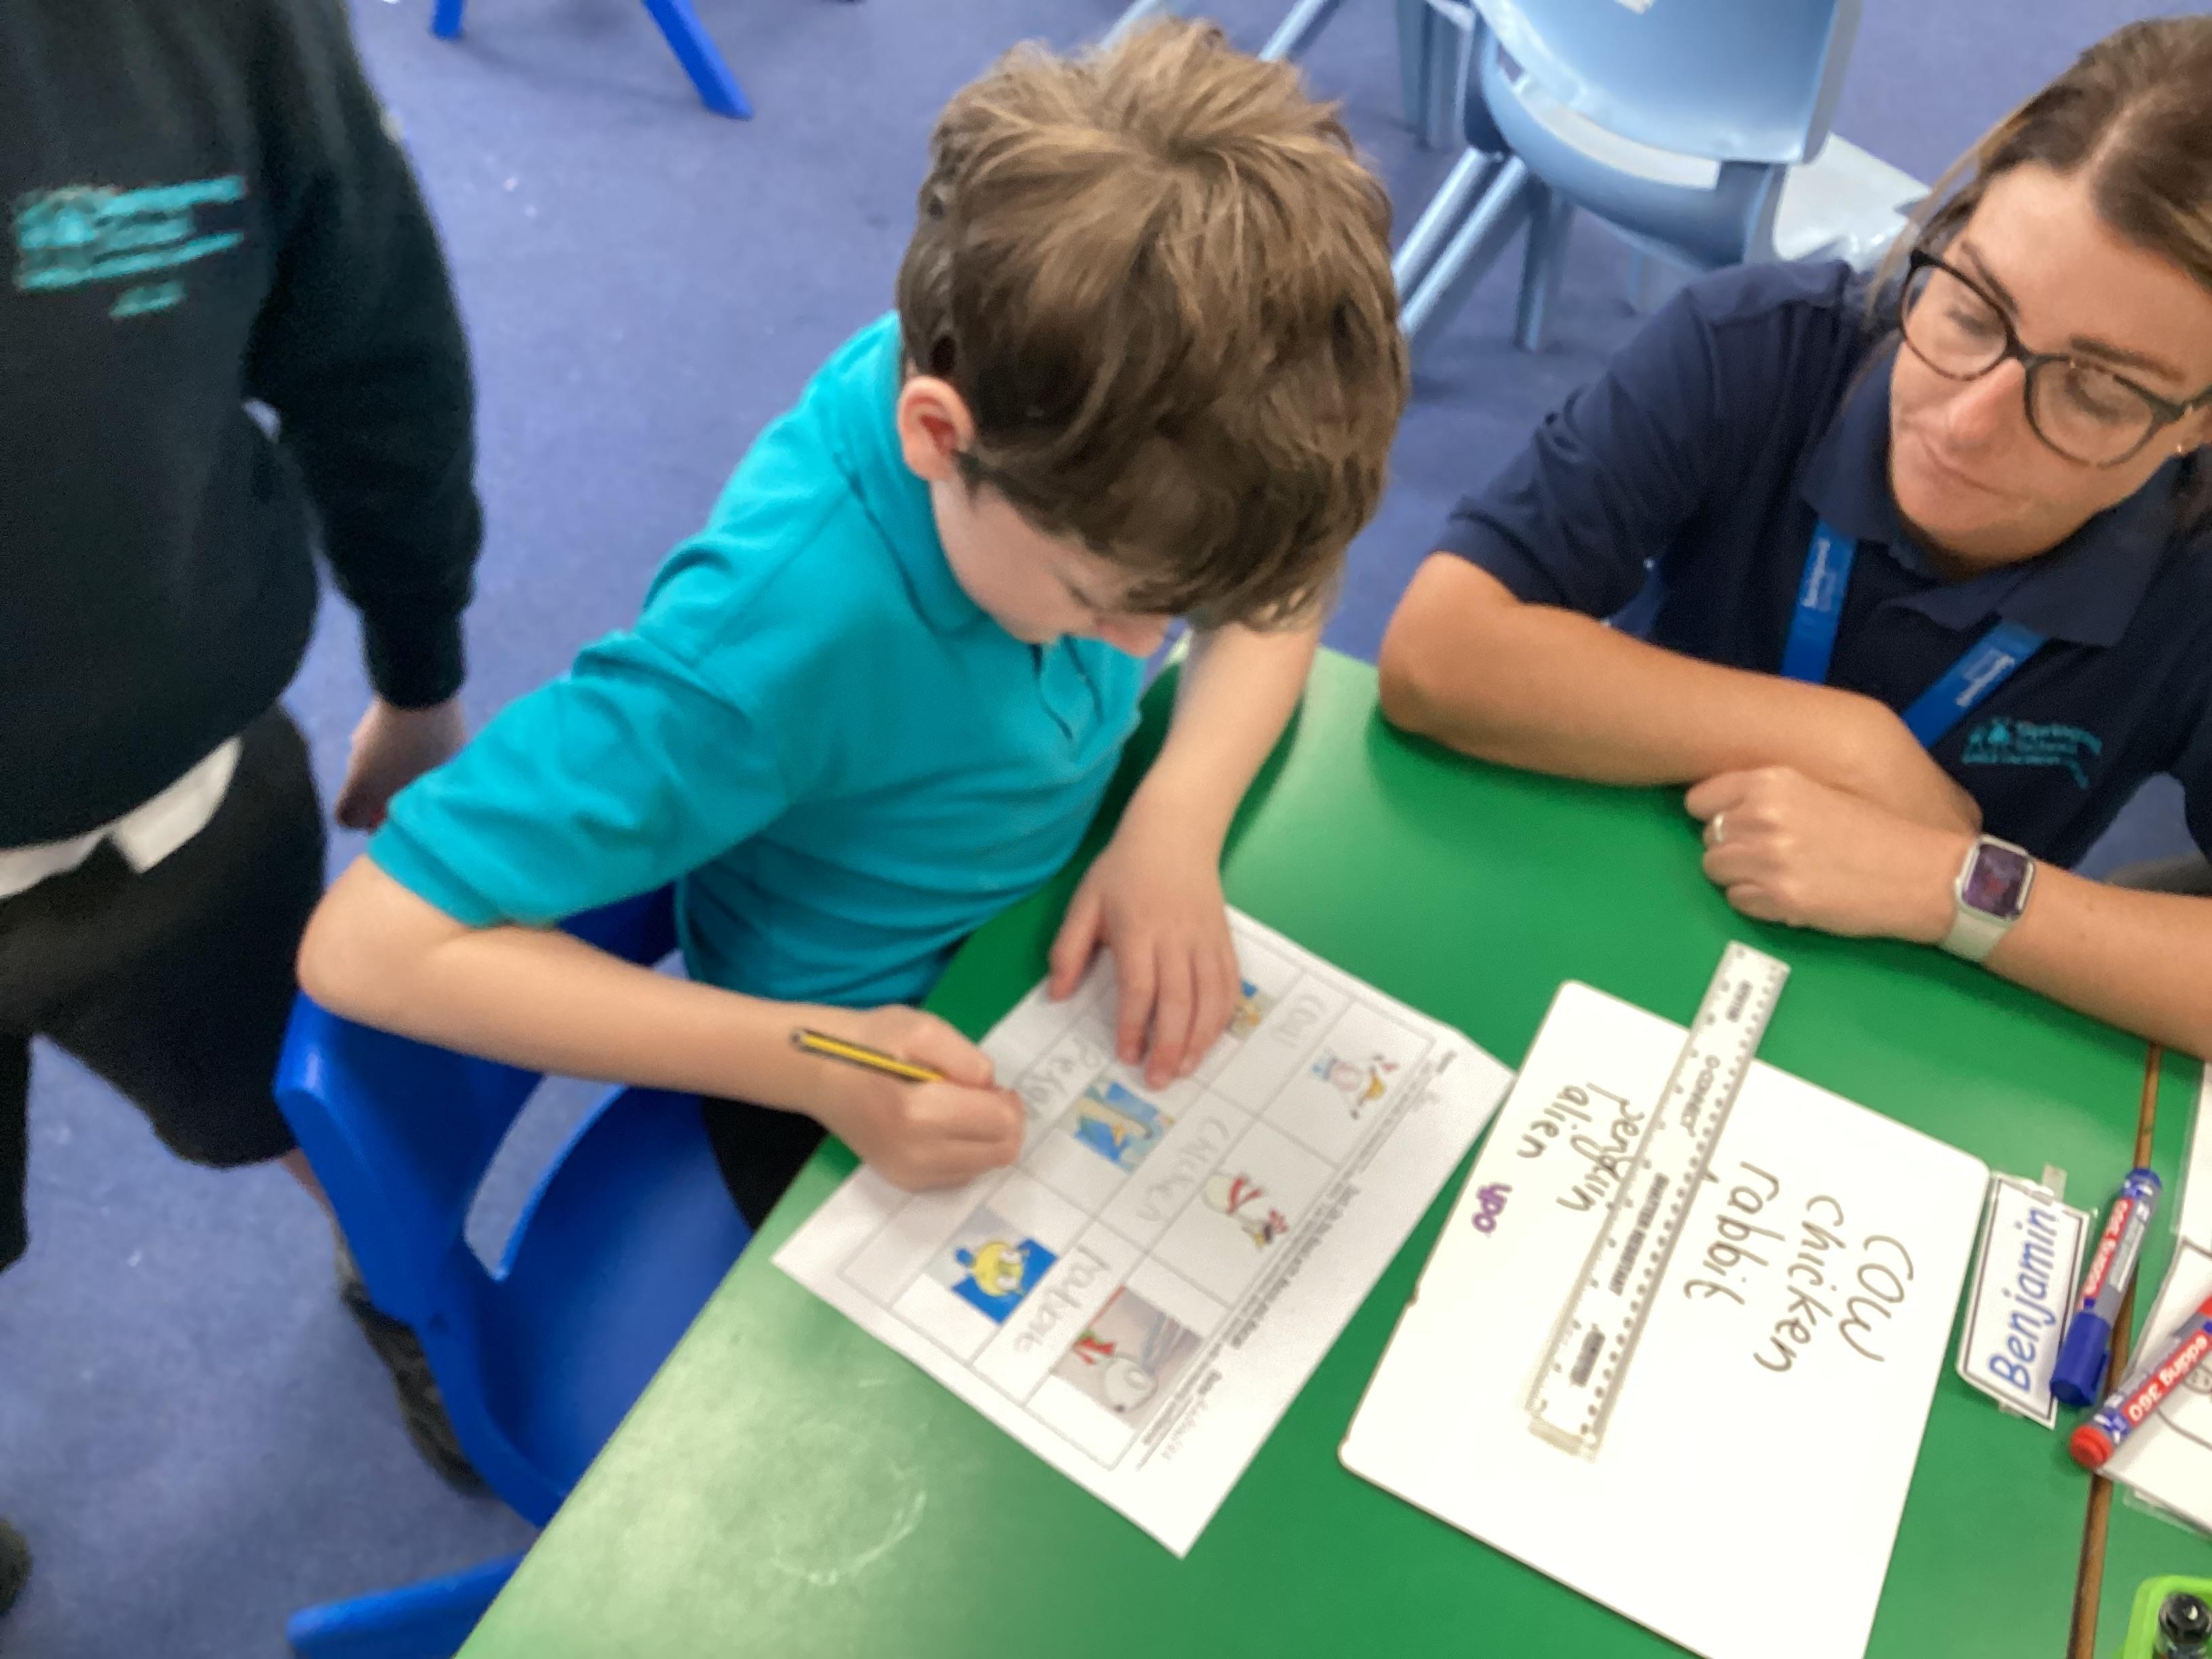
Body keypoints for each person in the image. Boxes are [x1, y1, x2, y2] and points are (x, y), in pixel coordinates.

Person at [295, 23, 1408, 1222]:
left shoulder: (1078, 406)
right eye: (1105, 602)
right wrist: (820, 1065)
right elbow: (367, 945)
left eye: (1175, 610)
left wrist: (1175, 820)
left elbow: (1278, 586)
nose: (1150, 651)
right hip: (847, 1060)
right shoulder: (767, 649)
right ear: (937, 435)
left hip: (1040, 916)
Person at [1378, 18, 2212, 1059]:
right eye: (1970, 307)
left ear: (2196, 424)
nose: (1966, 422)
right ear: (1946, 232)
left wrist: (1953, 885)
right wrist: (1840, 740)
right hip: (1604, 892)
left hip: (1908, 1018)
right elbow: (1439, 650)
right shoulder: (1758, 349)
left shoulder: (2192, 577)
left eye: (2096, 393)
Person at [1, 0, 489, 1582]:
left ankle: (401, 1284)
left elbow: (378, 355)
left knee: (301, 1093)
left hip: (184, 805)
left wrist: (419, 667)